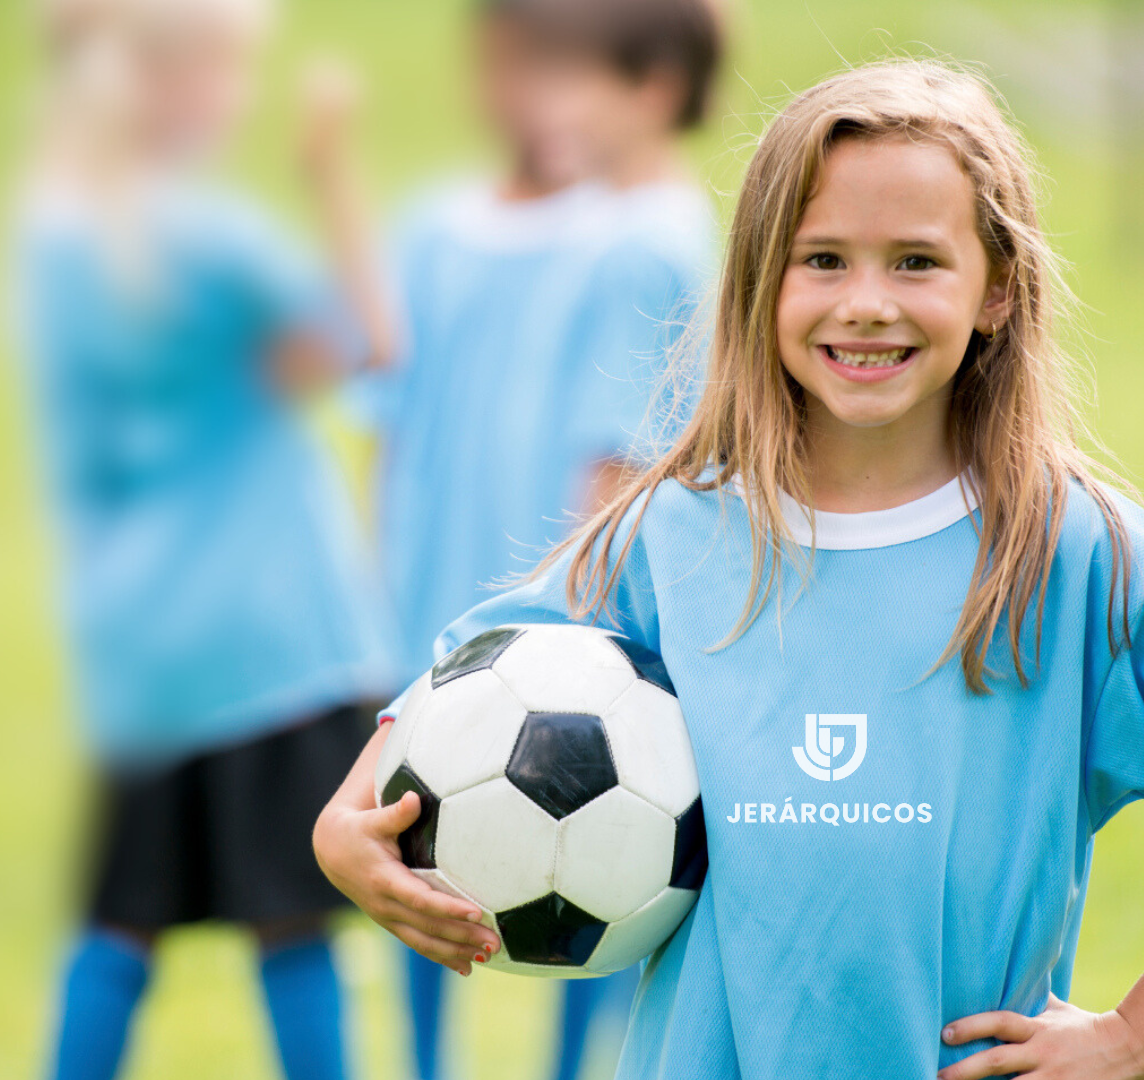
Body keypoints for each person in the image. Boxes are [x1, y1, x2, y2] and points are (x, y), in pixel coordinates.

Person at [316, 58, 1144, 1080]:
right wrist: (341, 829)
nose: (866, 302)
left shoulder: (1075, 553)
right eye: (823, 260)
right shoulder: (673, 534)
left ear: (997, 288)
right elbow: (462, 683)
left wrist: (1135, 1039)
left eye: (915, 261)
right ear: (762, 285)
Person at [11, 2, 398, 1079]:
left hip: (142, 647)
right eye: (228, 73)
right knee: (294, 923)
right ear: (166, 83)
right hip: (268, 640)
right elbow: (365, 345)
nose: (236, 97)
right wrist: (329, 168)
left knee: (119, 928)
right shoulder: (210, 237)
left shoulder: (52, 237)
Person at [348, 1, 721, 1075]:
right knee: (450, 819)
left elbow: (616, 457)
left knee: (568, 834)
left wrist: (567, 621)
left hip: (558, 611)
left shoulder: (648, 243)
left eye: (579, 79)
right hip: (499, 592)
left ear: (648, 91)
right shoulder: (612, 225)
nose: (553, 103)